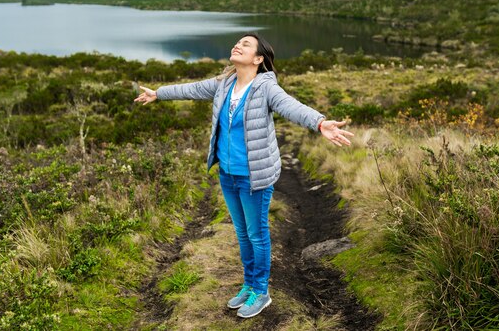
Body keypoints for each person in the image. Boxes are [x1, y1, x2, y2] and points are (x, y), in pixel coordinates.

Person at [134, 33, 353, 318]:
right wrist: (158, 93)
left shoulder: (265, 87)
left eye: (246, 44)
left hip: (254, 176)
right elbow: (191, 89)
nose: (238, 45)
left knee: (256, 234)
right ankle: (249, 285)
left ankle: (261, 292)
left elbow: (291, 106)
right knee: (241, 233)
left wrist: (319, 122)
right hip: (228, 173)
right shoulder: (224, 84)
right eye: (238, 42)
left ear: (258, 58)